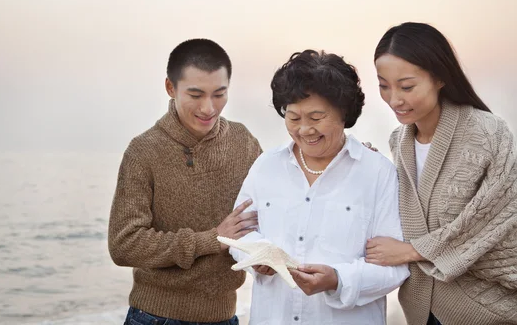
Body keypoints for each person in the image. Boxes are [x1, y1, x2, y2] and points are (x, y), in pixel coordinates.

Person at [228, 50, 409, 324]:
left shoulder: (378, 173)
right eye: (293, 118)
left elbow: (395, 268)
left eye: (316, 118)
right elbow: (240, 234)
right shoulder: (266, 166)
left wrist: (337, 280)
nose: (304, 130)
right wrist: (256, 257)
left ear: (344, 113)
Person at [366, 22, 517, 325]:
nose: (394, 99)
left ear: (439, 78)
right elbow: (409, 213)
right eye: (384, 85)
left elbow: (495, 219)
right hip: (420, 311)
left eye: (406, 86)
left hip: (484, 311)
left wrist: (411, 251)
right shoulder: (399, 142)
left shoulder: (488, 132)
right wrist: (371, 170)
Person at [108, 39, 262, 325]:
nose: (208, 107)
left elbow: (277, 202)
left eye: (219, 94)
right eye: (196, 94)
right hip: (156, 318)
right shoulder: (144, 151)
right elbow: (124, 243)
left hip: (225, 317)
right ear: (170, 88)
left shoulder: (244, 142)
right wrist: (211, 239)